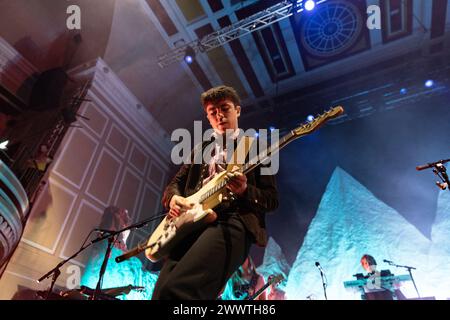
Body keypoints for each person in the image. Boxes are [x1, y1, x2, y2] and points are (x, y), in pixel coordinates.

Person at [151, 85, 278, 300]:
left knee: (179, 292)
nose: (219, 115)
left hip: (231, 221)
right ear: (208, 118)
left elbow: (272, 200)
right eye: (212, 112)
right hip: (189, 226)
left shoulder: (258, 147)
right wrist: (173, 199)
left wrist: (245, 190)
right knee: (160, 294)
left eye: (224, 108)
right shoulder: (199, 150)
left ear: (237, 110)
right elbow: (175, 184)